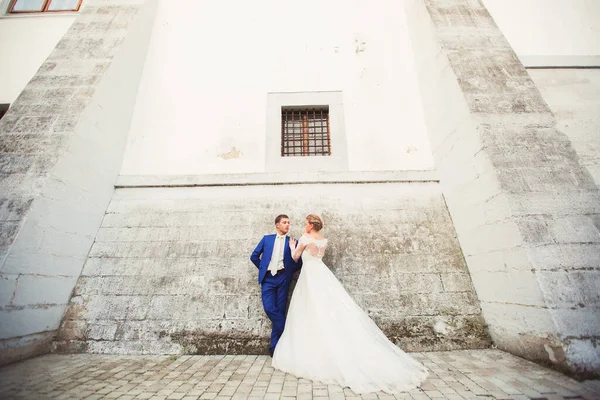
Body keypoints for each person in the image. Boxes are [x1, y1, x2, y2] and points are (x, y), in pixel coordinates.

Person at [272, 214, 429, 393]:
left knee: (309, 308)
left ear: (310, 226)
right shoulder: (323, 240)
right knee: (326, 306)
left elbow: (295, 257)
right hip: (321, 274)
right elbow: (317, 256)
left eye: (306, 223)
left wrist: (293, 246)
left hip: (309, 277)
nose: (304, 226)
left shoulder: (305, 238)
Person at [250, 214, 302, 357]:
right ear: (277, 225)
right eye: (284, 222)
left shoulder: (293, 242)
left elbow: (299, 262)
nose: (287, 225)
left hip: (283, 278)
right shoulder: (267, 239)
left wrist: (288, 272)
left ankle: (274, 347)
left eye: (289, 223)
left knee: (280, 310)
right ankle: (289, 330)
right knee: (269, 308)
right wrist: (263, 268)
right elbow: (254, 256)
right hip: (268, 278)